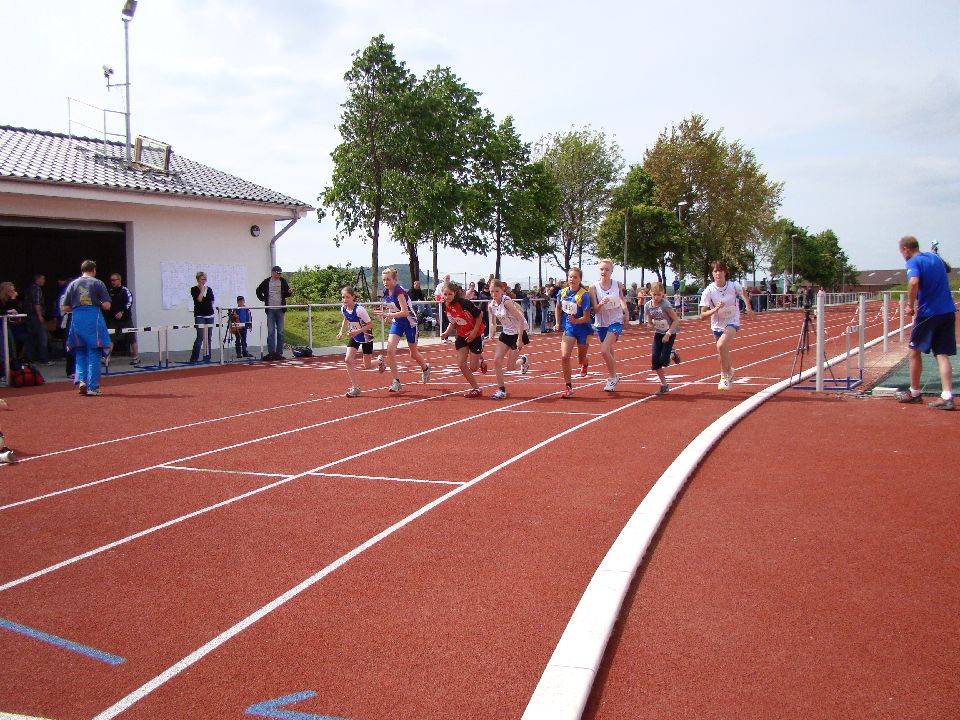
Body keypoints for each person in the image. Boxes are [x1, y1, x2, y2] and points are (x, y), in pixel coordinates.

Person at [896, 235, 956, 410]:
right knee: (941, 353)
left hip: (929, 313)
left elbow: (914, 281)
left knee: (914, 351)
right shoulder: (934, 257)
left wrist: (910, 305)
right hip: (947, 311)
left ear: (906, 249)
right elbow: (948, 268)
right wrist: (935, 254)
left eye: (902, 252)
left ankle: (914, 392)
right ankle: (947, 396)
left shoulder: (913, 261)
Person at [61, 260, 111, 396]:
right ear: (94, 270)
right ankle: (93, 386)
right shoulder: (98, 283)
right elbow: (106, 305)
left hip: (77, 319)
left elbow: (65, 307)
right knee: (94, 351)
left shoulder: (73, 284)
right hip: (93, 318)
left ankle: (81, 380)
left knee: (80, 351)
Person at [375, 268, 430, 393]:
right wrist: (388, 315)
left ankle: (425, 368)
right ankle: (396, 381)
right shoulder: (385, 292)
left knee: (413, 354)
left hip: (410, 323)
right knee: (390, 351)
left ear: (394, 280)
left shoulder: (399, 291)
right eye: (383, 280)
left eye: (388, 279)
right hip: (397, 323)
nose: (385, 282)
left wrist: (389, 315)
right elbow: (392, 307)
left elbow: (405, 312)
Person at [699, 260, 750, 390]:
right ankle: (730, 370)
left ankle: (723, 376)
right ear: (712, 274)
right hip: (717, 324)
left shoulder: (733, 285)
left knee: (721, 345)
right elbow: (702, 316)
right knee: (722, 352)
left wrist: (748, 307)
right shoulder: (708, 291)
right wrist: (715, 309)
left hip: (732, 321)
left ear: (725, 272)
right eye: (715, 271)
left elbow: (743, 293)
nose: (718, 273)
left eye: (720, 270)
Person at [440, 281, 485, 397]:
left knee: (473, 368)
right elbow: (453, 322)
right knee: (461, 364)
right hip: (461, 335)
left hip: (475, 334)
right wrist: (446, 333)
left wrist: (474, 332)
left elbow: (480, 315)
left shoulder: (465, 303)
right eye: (445, 294)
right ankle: (476, 388)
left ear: (455, 293)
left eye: (450, 294)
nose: (447, 297)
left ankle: (480, 360)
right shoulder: (446, 305)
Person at [554, 267, 594, 398]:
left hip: (583, 329)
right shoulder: (562, 292)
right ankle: (568, 387)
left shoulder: (584, 295)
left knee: (580, 359)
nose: (572, 279)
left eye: (575, 277)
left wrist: (576, 320)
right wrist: (558, 322)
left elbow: (587, 318)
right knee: (564, 356)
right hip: (569, 328)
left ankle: (585, 363)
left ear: (580, 279)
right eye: (570, 277)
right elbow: (558, 308)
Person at [590, 259, 629, 392]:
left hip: (615, 321)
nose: (604, 272)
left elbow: (622, 299)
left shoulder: (617, 284)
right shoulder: (593, 287)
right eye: (602, 269)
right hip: (601, 323)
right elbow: (595, 310)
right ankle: (614, 375)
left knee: (604, 350)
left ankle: (613, 377)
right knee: (609, 350)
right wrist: (601, 303)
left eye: (607, 269)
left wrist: (626, 311)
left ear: (611, 271)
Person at [487, 279, 530, 399]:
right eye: (492, 291)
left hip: (517, 333)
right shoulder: (491, 305)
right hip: (506, 333)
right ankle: (501, 390)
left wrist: (520, 339)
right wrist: (491, 334)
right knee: (496, 361)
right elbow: (493, 323)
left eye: (497, 291)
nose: (494, 294)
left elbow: (520, 320)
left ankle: (523, 360)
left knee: (510, 367)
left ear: (502, 291)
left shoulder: (507, 302)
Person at [337, 286, 375, 398]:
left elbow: (370, 325)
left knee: (367, 365)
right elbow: (346, 319)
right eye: (343, 297)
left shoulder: (359, 310)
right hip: (354, 336)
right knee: (348, 360)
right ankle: (355, 388)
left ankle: (380, 362)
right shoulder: (343, 308)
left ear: (353, 297)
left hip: (366, 336)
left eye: (347, 297)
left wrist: (357, 331)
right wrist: (341, 332)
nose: (345, 300)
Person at [645, 282, 682, 394]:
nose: (656, 297)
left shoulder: (665, 305)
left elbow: (676, 320)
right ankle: (664, 385)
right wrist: (649, 323)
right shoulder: (648, 306)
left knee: (664, 361)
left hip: (670, 332)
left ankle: (673, 353)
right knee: (655, 362)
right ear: (650, 293)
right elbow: (649, 318)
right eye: (654, 294)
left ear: (663, 294)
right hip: (658, 333)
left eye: (659, 295)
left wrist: (668, 334)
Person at [256, 265, 293, 360]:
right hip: (270, 310)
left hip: (280, 309)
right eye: (277, 273)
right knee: (271, 331)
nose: (279, 275)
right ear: (273, 273)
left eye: (280, 273)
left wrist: (289, 292)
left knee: (280, 332)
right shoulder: (266, 281)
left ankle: (279, 353)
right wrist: (263, 299)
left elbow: (286, 293)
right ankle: (271, 353)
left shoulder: (283, 281)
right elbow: (258, 290)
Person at [105, 273, 140, 365]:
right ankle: (107, 358)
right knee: (110, 338)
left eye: (114, 280)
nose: (112, 282)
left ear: (119, 280)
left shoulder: (125, 290)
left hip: (126, 319)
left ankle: (136, 356)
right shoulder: (109, 291)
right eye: (111, 280)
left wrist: (122, 312)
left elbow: (129, 302)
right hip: (113, 320)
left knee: (131, 337)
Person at [25, 273, 51, 365]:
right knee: (42, 338)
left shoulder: (29, 288)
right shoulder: (36, 289)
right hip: (35, 316)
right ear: (38, 279)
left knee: (30, 338)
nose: (44, 281)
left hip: (29, 316)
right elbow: (37, 303)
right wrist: (40, 315)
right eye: (43, 279)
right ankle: (43, 359)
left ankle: (30, 359)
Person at [189, 271, 215, 363]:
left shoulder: (209, 289)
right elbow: (199, 299)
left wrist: (206, 298)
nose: (204, 281)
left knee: (208, 337)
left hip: (209, 315)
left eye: (205, 279)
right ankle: (194, 358)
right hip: (200, 315)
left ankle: (207, 357)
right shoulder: (194, 289)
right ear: (198, 279)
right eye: (202, 279)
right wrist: (202, 290)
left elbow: (212, 300)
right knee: (200, 336)